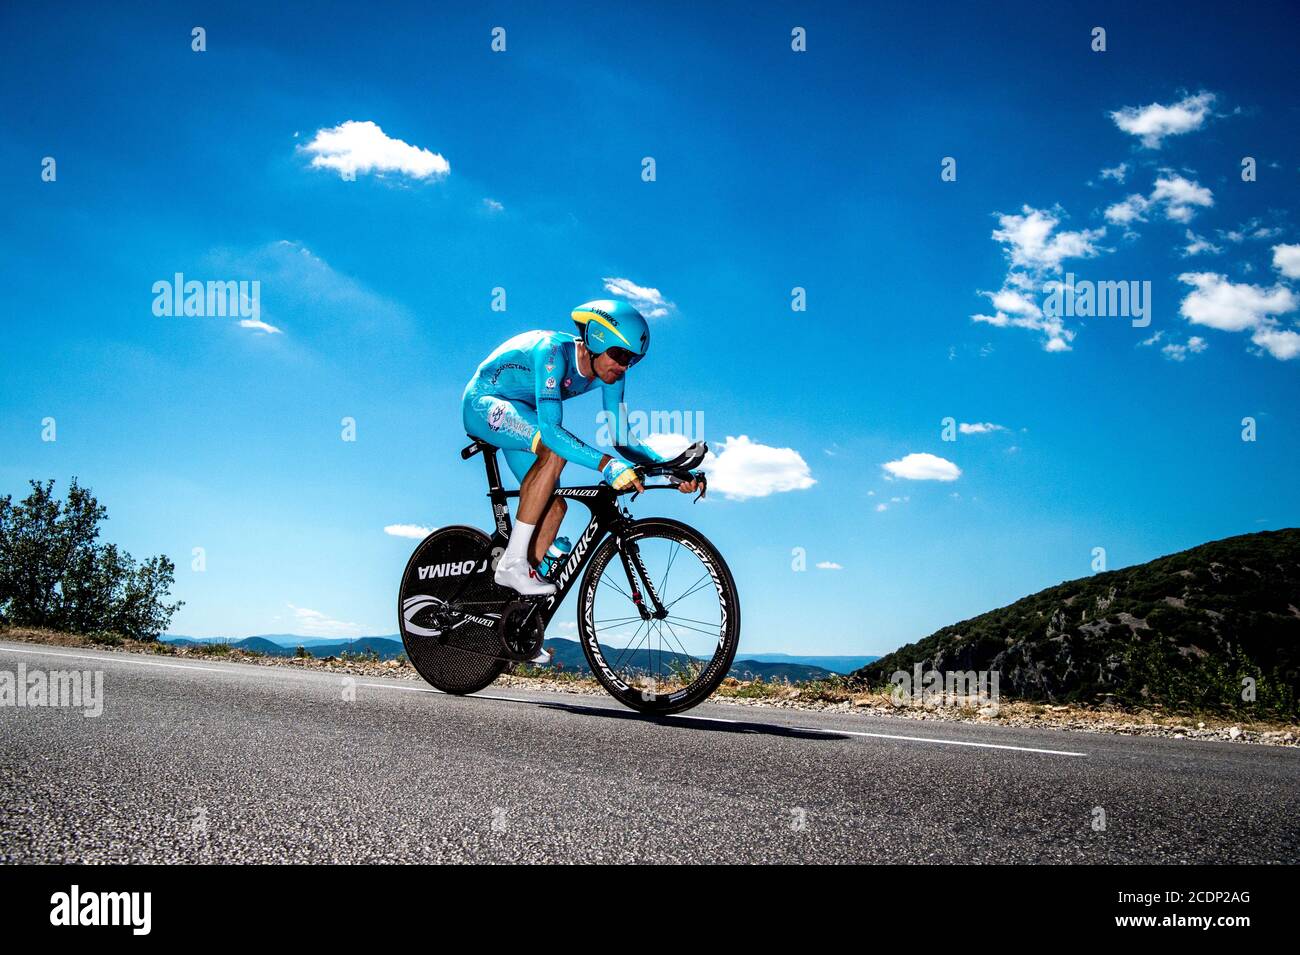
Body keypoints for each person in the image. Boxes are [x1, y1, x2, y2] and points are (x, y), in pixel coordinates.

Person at [461, 299, 700, 628]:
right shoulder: (552, 353)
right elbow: (552, 433)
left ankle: (515, 619)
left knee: (555, 507)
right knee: (554, 450)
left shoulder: (610, 373)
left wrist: (669, 467)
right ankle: (512, 563)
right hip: (485, 403)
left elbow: (622, 439)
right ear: (597, 340)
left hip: (523, 414)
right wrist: (606, 465)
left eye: (632, 359)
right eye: (620, 355)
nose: (625, 366)